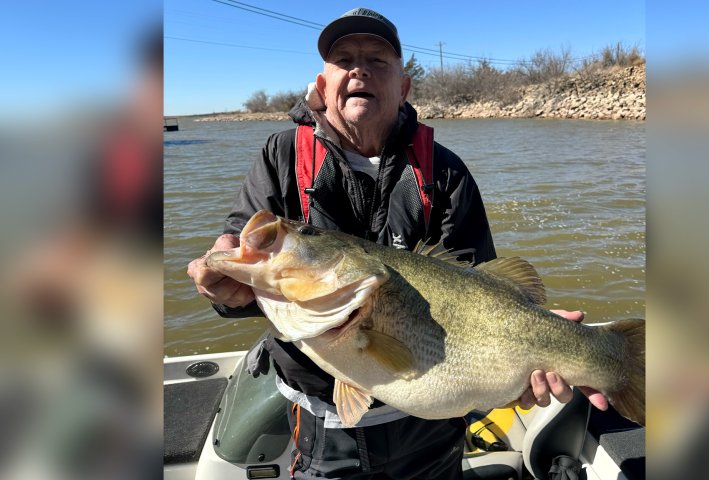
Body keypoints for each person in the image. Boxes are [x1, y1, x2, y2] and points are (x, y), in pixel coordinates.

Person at [188, 8, 607, 479]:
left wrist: (531, 345)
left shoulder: (444, 172)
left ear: (403, 87)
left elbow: (486, 289)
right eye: (343, 59)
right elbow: (243, 269)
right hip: (325, 427)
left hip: (432, 429)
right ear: (323, 87)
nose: (359, 69)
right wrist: (220, 287)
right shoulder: (282, 155)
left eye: (377, 60)